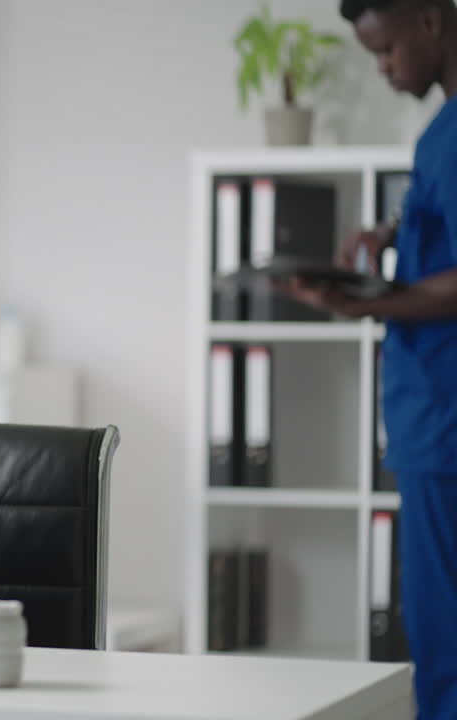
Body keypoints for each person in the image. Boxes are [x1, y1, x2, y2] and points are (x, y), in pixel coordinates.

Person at [284, 2, 457, 716]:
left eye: (385, 52)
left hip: (445, 426)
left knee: (443, 638)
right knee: (435, 629)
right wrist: (387, 230)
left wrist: (367, 304)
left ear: (428, 21)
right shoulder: (439, 135)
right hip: (427, 417)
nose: (383, 71)